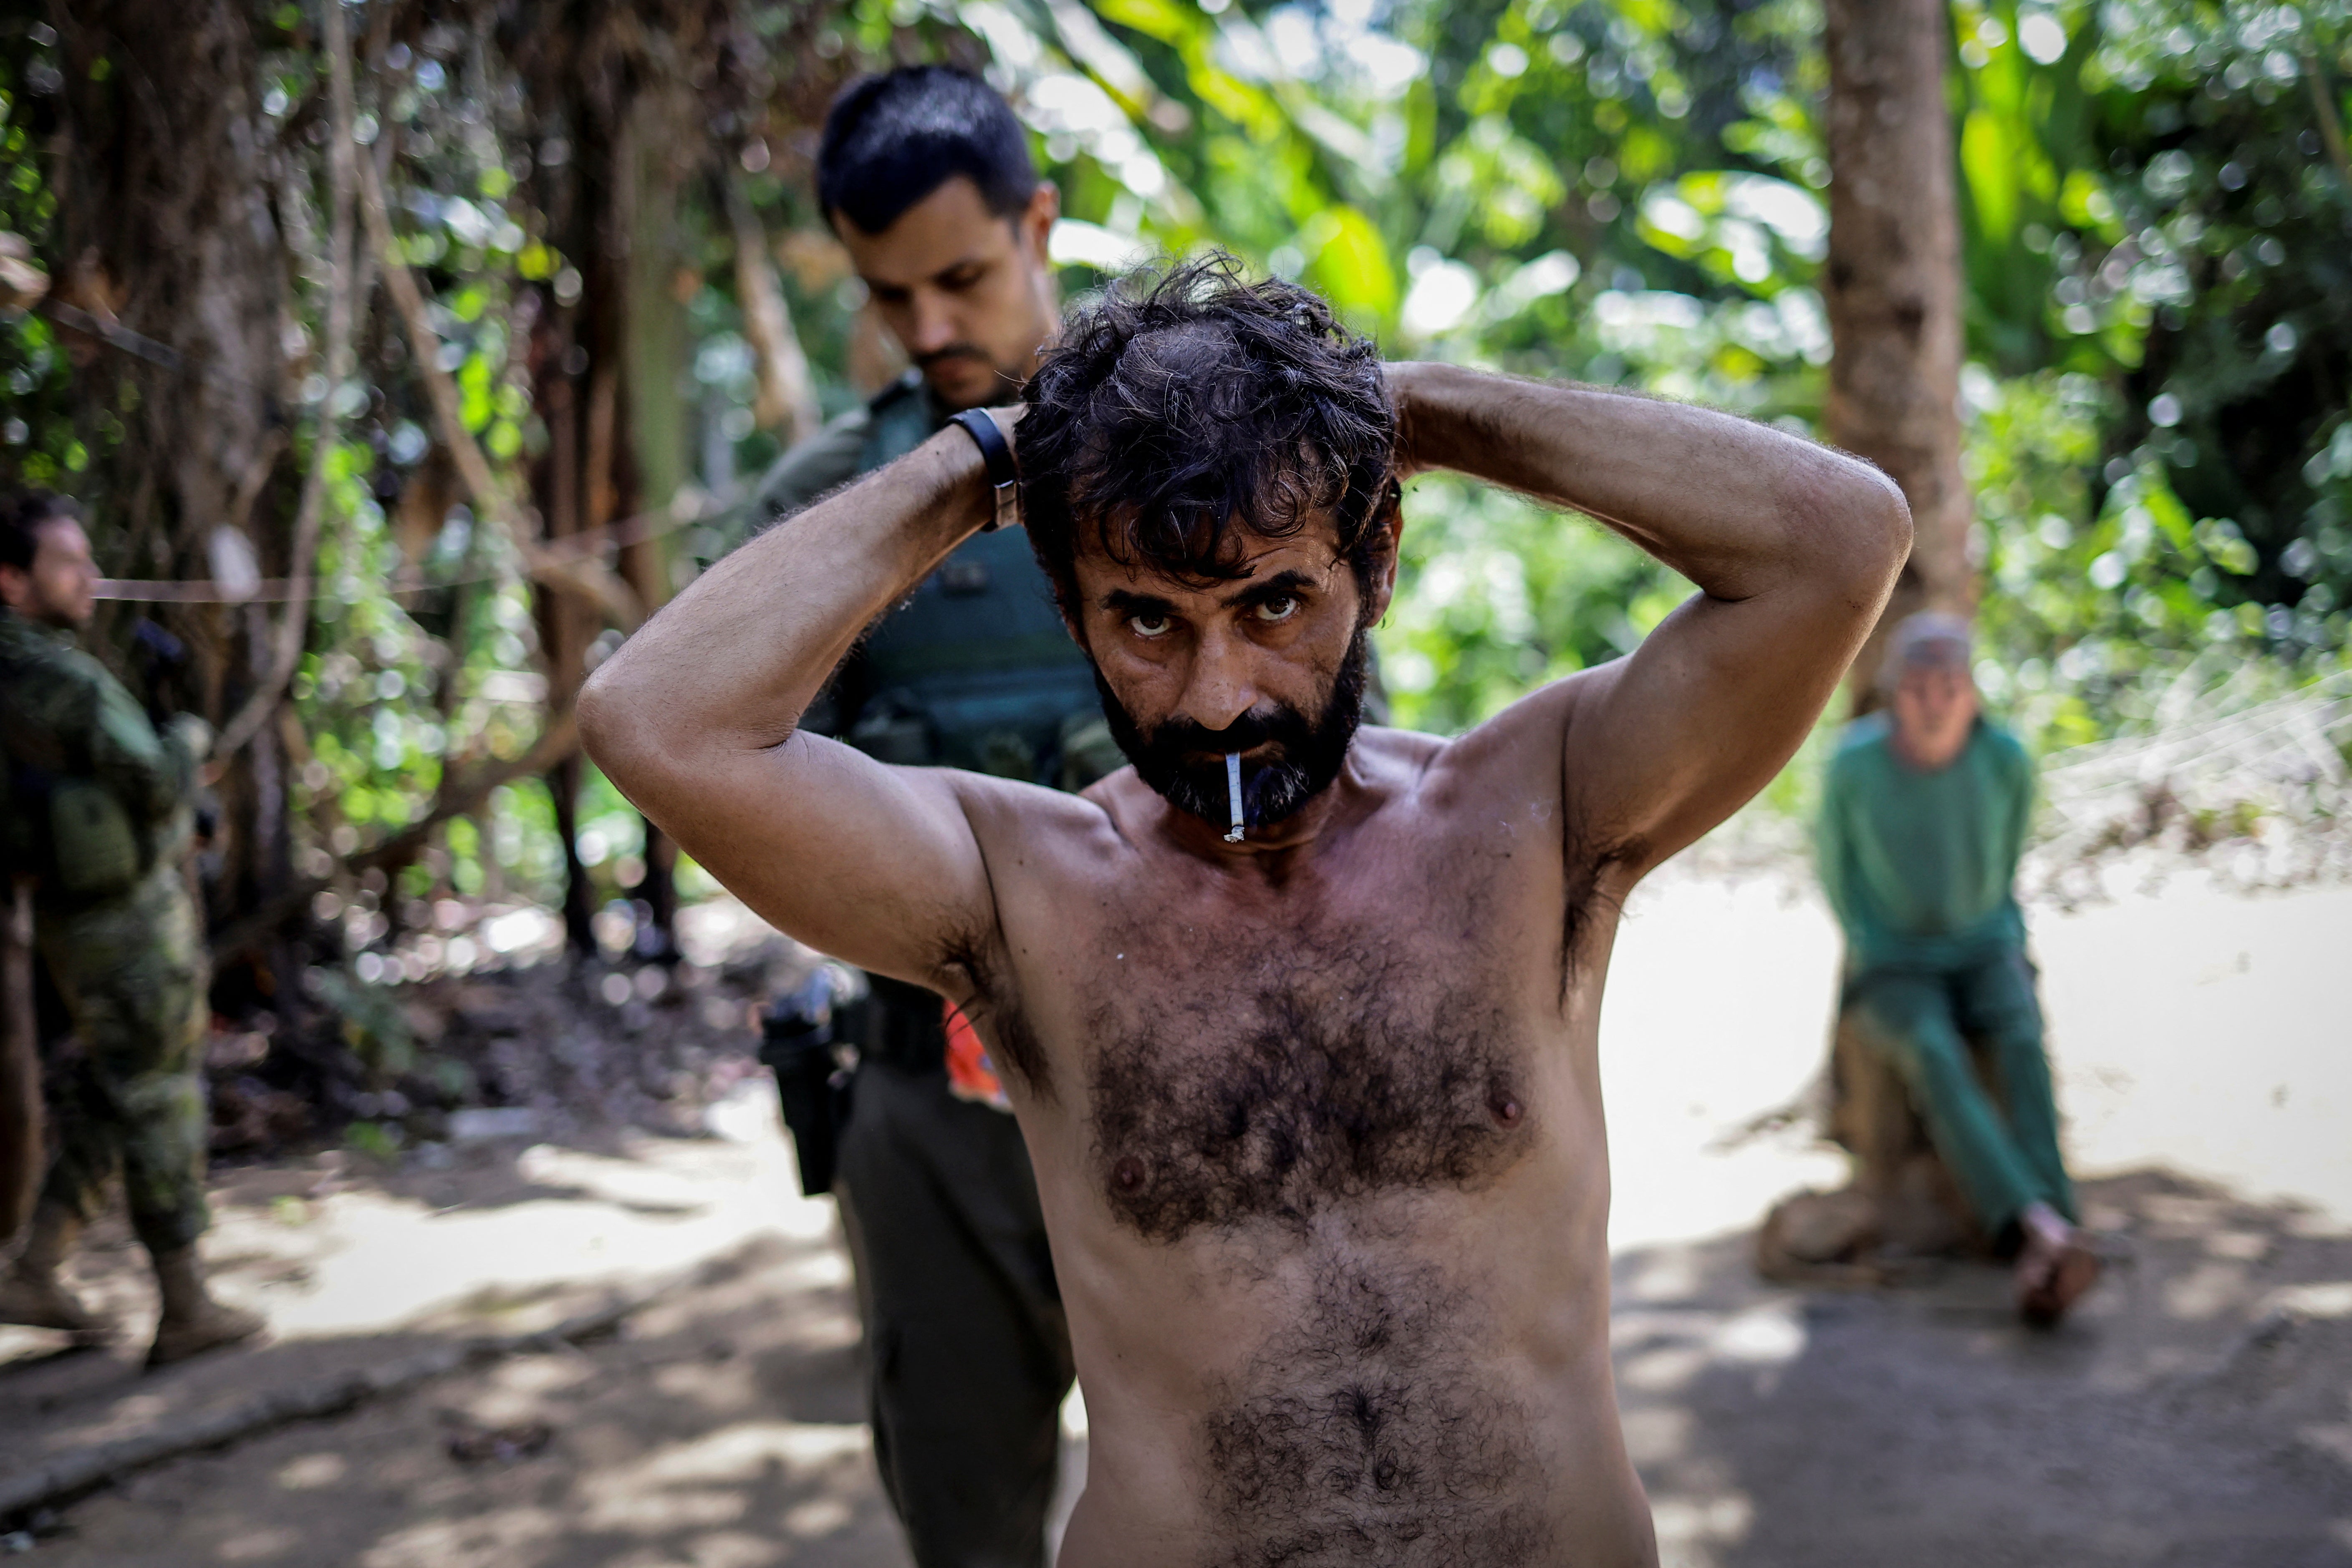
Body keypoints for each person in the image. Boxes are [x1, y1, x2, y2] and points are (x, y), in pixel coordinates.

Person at [580, 257, 1910, 1563]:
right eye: (1147, 622)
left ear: (1373, 560)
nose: (1218, 695)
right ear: (1068, 607)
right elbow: (656, 721)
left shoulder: (1536, 814)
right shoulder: (1018, 890)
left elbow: (1842, 538)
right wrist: (988, 461)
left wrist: (1419, 407)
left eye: (1273, 601)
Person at [731, 66, 1095, 1566]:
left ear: (1039, 223)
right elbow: (744, 774)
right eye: (893, 297)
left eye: (961, 277)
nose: (930, 329)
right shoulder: (832, 502)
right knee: (968, 1519)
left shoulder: (1198, 439)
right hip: (930, 1110)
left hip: (1189, 1077)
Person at [0, 489, 263, 1366]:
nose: (91, 577)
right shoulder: (63, 679)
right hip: (121, 918)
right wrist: (188, 736)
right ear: (12, 581)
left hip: (65, 918)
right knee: (157, 1090)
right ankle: (186, 1304)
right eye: (67, 563)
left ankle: (35, 1267)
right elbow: (154, 782)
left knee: (119, 1088)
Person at [1817, 612, 2098, 1324]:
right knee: (1935, 1055)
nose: (1935, 701)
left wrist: (1993, 937)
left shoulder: (2005, 758)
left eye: (1950, 685)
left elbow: (2004, 865)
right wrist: (1875, 944)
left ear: (1971, 693)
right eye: (1918, 686)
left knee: (2022, 1042)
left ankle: (2055, 1220)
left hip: (1985, 946)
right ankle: (2038, 1230)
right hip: (1892, 965)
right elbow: (1836, 874)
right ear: (1892, 694)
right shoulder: (1854, 765)